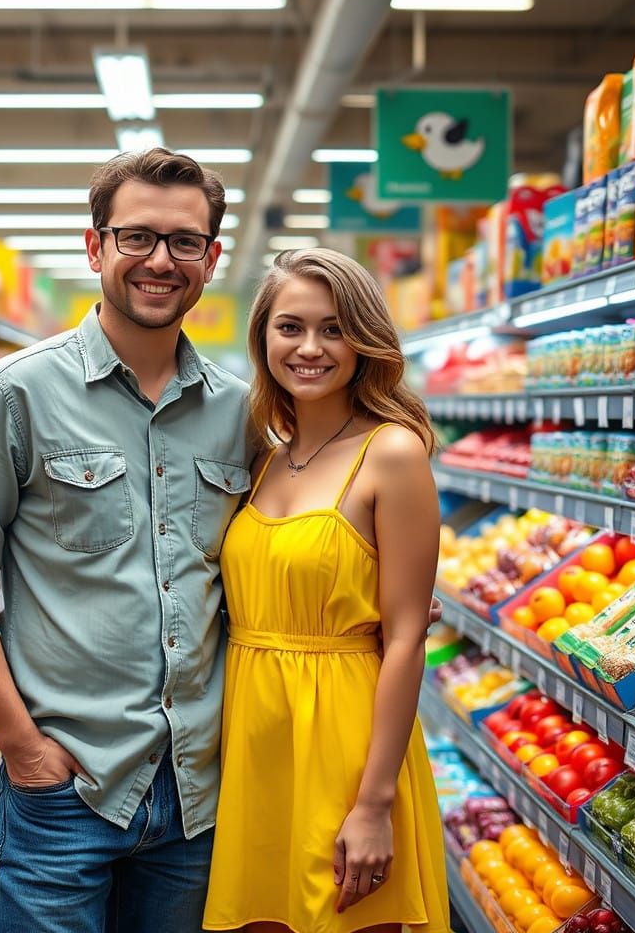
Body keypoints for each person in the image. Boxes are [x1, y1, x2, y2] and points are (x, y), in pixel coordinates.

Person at [0, 148, 254, 933]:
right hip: (69, 788)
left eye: (184, 242)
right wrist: (21, 747)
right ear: (96, 245)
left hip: (203, 792)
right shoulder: (12, 394)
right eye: (136, 237)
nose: (160, 261)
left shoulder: (243, 413)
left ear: (211, 258)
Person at [202, 248, 450, 933]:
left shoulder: (391, 452)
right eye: (290, 327)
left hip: (343, 744)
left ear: (365, 340)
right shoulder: (264, 457)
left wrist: (372, 804)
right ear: (262, 339)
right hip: (254, 743)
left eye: (334, 328)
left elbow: (404, 638)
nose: (310, 347)